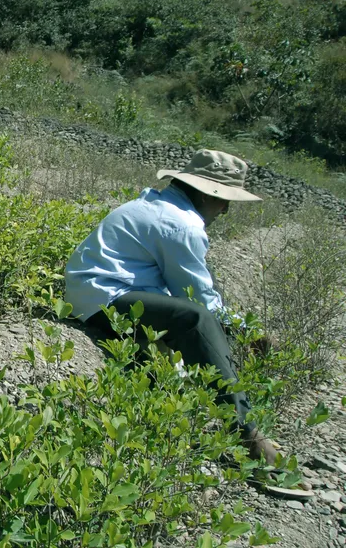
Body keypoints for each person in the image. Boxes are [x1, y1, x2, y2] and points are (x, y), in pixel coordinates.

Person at [64, 149, 277, 465]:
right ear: (206, 194)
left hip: (95, 294)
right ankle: (246, 432)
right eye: (224, 200)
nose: (227, 209)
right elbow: (198, 301)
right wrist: (246, 331)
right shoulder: (182, 225)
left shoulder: (158, 203)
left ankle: (205, 410)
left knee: (198, 319)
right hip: (104, 300)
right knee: (196, 320)